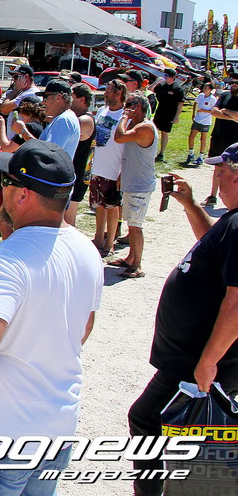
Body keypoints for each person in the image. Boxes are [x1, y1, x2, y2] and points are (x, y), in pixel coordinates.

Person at [0, 140, 104, 494]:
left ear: (23, 195)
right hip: (56, 427)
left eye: (6, 181)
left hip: (2, 433)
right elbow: (84, 326)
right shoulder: (86, 249)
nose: (0, 189)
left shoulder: (10, 258)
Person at [128, 142, 238, 496]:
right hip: (194, 356)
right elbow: (213, 243)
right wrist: (190, 204)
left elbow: (237, 302)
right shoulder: (232, 222)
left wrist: (209, 361)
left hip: (199, 358)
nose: (216, 175)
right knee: (178, 427)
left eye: (222, 170)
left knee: (148, 418)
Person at [110, 92, 158, 278]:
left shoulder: (145, 127)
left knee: (136, 226)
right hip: (133, 182)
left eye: (128, 105)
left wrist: (124, 118)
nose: (125, 108)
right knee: (132, 223)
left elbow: (119, 137)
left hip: (140, 185)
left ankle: (137, 265)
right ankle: (130, 258)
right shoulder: (137, 126)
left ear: (137, 107)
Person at [89, 80, 127, 256]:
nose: (105, 94)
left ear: (118, 94)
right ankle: (98, 238)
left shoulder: (125, 115)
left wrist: (122, 173)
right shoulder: (103, 111)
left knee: (112, 205)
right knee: (98, 204)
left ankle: (109, 242)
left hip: (114, 167)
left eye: (109, 91)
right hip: (98, 166)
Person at [14, 79, 80, 158]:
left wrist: (23, 132)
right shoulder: (63, 118)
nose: (43, 102)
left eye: (45, 98)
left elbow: (48, 154)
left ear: (58, 98)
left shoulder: (64, 120)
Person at [66, 83, 96, 226]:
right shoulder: (75, 117)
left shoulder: (85, 120)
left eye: (71, 97)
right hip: (73, 172)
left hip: (78, 174)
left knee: (68, 220)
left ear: (82, 99)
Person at [205, 77, 238, 206]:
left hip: (235, 139)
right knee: (218, 166)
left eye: (236, 83)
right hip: (219, 135)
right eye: (232, 82)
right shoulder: (225, 95)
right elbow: (214, 112)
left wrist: (225, 111)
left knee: (235, 169)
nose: (233, 85)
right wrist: (233, 116)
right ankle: (213, 196)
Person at [0, 63, 37, 139]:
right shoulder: (21, 92)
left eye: (16, 77)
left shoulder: (30, 94)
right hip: (13, 138)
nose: (14, 80)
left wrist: (15, 90)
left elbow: (4, 108)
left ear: (26, 77)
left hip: (21, 139)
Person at [151, 68, 186, 162]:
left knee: (165, 132)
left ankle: (161, 153)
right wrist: (156, 82)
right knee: (154, 131)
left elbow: (180, 103)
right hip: (159, 111)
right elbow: (150, 90)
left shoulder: (178, 88)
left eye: (167, 76)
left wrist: (177, 116)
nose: (165, 78)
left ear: (173, 77)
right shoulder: (161, 86)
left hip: (170, 113)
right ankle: (152, 151)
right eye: (164, 75)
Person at [187, 81, 216, 165]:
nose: (204, 89)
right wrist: (193, 114)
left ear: (210, 89)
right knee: (191, 136)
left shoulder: (212, 99)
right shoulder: (201, 95)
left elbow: (213, 111)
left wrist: (203, 110)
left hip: (206, 121)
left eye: (206, 88)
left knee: (203, 139)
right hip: (197, 119)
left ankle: (201, 156)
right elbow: (195, 103)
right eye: (204, 87)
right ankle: (191, 153)